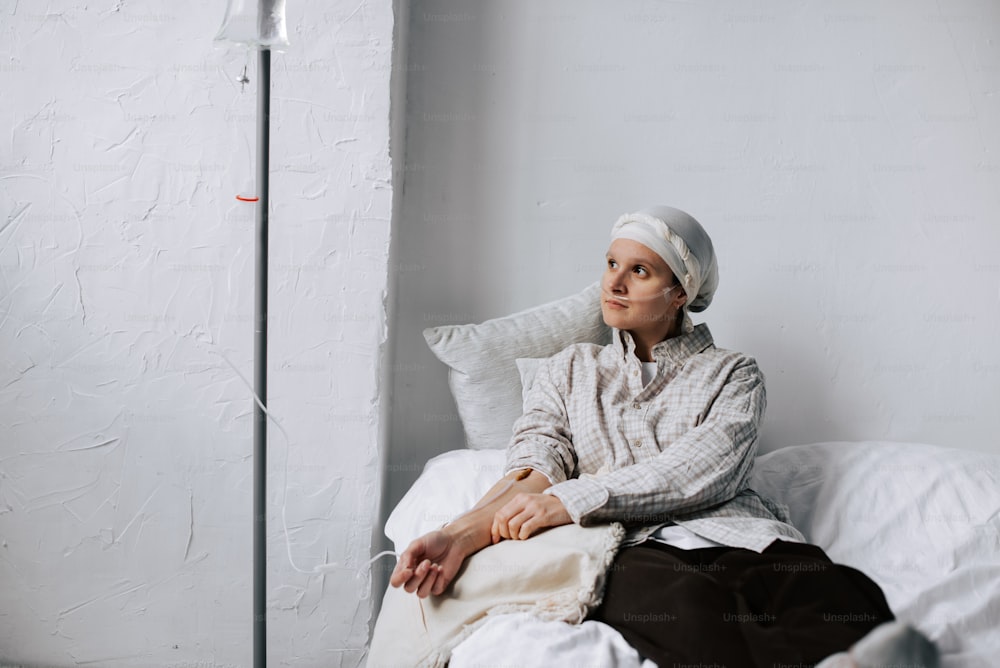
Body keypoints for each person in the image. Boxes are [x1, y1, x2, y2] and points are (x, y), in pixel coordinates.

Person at [389, 206, 938, 667]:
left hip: (743, 536)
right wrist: (460, 534)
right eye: (610, 264)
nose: (614, 281)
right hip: (631, 545)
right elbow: (536, 464)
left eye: (639, 270)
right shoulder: (570, 369)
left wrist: (569, 499)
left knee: (837, 592)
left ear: (681, 291)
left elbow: (701, 468)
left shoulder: (733, 373)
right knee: (690, 613)